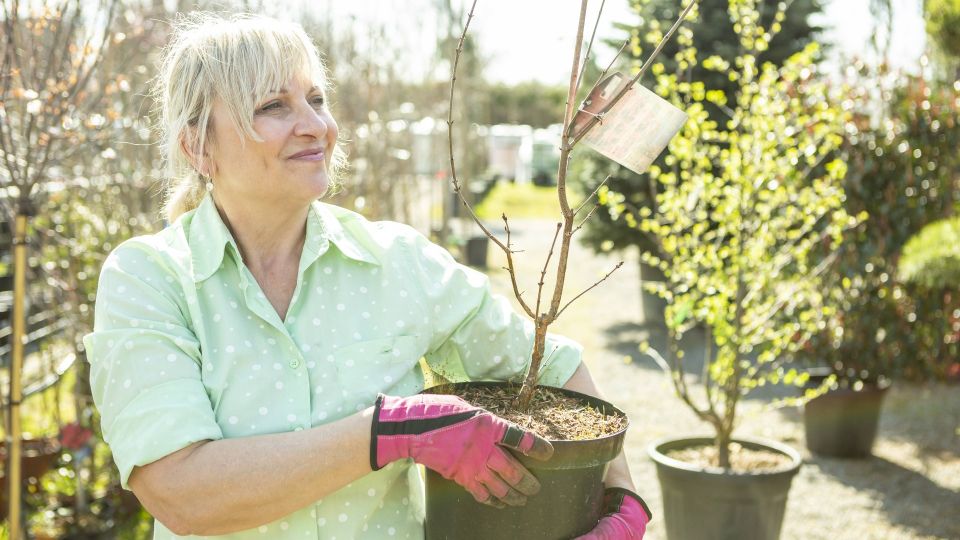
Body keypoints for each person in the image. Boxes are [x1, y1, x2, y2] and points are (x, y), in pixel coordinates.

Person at [83, 13, 650, 539]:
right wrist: (392, 431)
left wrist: (623, 498)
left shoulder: (397, 262)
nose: (316, 126)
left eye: (316, 99)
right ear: (198, 146)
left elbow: (549, 365)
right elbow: (182, 493)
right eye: (273, 106)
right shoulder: (151, 279)